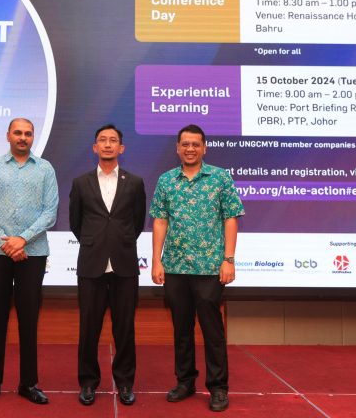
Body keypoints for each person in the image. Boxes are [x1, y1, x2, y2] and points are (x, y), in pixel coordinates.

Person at [149, 124, 244, 412]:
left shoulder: (220, 178)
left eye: (195, 144)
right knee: (181, 329)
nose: (190, 149)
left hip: (210, 268)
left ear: (204, 148)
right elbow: (160, 220)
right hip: (176, 267)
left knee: (212, 330)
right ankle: (185, 381)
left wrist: (229, 259)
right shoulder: (166, 181)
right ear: (177, 148)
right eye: (185, 144)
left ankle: (218, 388)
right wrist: (156, 259)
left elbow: (231, 218)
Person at [0, 118, 58, 406]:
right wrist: (8, 243)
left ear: (33, 138)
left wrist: (22, 239)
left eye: (28, 133)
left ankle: (28, 384)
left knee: (29, 319)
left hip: (33, 253)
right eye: (18, 132)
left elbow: (50, 212)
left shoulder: (45, 169)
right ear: (8, 135)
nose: (23, 137)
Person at [69, 124, 146, 406]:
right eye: (102, 140)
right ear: (95, 147)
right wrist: (96, 242)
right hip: (91, 264)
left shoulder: (135, 182)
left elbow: (137, 222)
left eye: (113, 140)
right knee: (89, 327)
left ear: (121, 148)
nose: (108, 144)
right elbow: (76, 223)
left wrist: (118, 242)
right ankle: (88, 383)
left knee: (124, 328)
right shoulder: (80, 182)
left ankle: (125, 383)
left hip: (124, 264)